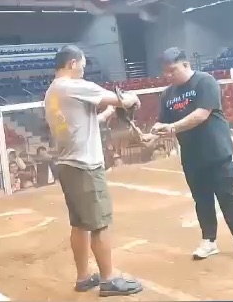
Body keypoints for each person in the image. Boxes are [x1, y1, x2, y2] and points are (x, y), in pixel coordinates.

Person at [43, 44, 143, 297]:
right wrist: (131, 98)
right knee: (100, 224)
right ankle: (108, 280)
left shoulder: (52, 92)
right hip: (85, 166)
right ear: (73, 63)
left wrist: (107, 113)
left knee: (80, 224)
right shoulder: (74, 86)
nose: (83, 70)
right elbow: (124, 99)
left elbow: (81, 123)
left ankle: (83, 277)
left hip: (67, 164)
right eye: (82, 65)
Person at [142, 47, 233, 262]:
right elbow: (163, 123)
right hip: (191, 156)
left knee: (228, 197)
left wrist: (172, 127)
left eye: (172, 70)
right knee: (202, 200)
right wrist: (152, 136)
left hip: (217, 152)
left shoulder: (205, 82)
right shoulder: (167, 94)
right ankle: (209, 241)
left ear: (185, 64)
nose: (169, 75)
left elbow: (201, 114)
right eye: (165, 72)